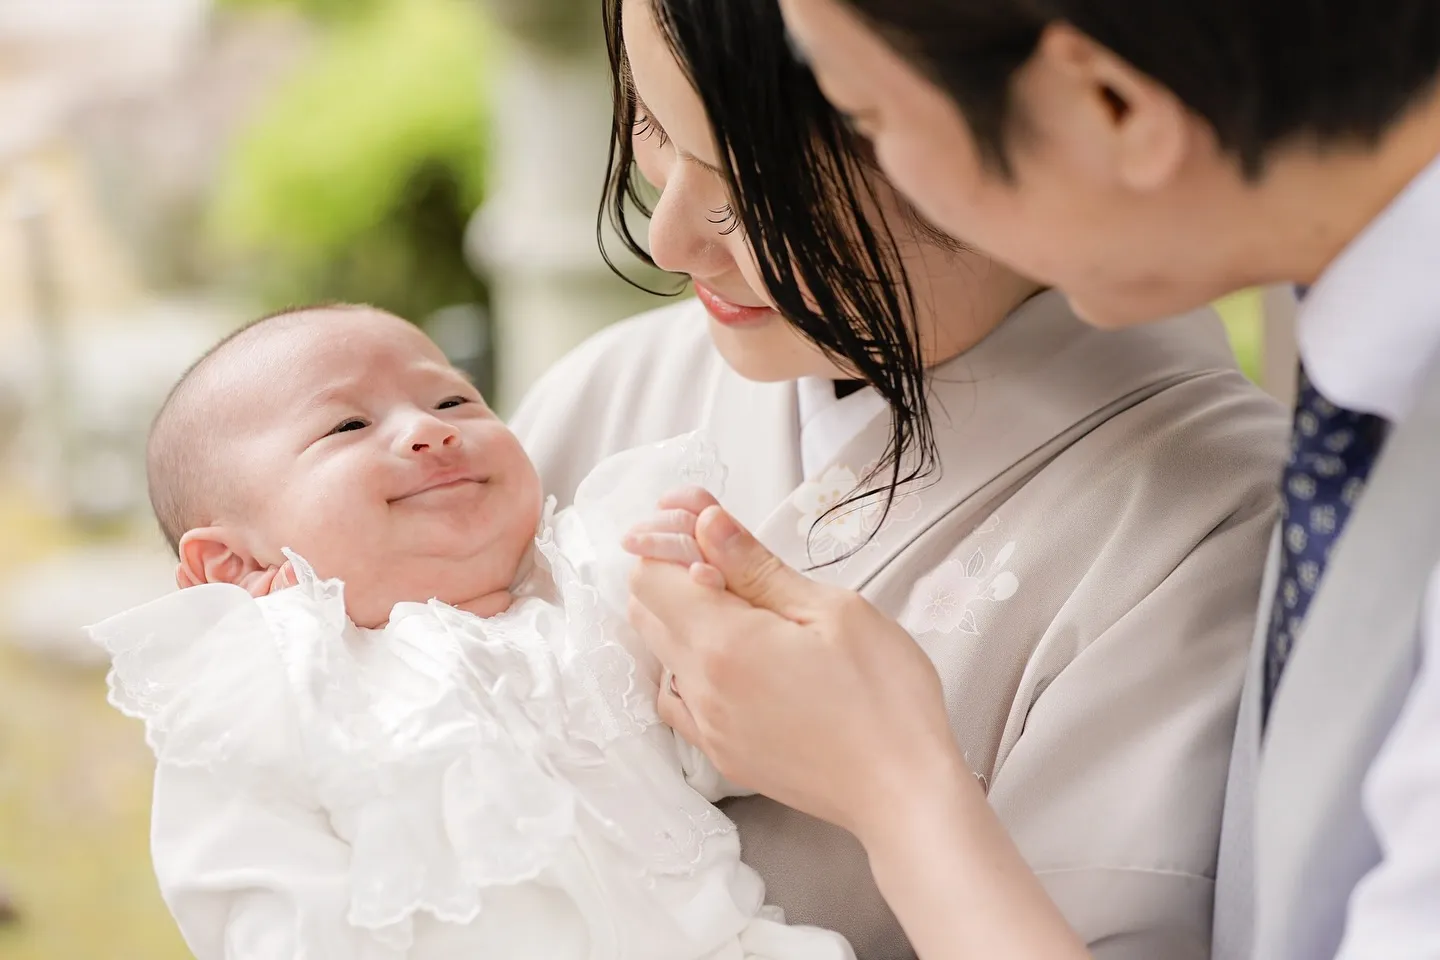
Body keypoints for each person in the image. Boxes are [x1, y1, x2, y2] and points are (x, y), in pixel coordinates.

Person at [628, 0, 1440, 957]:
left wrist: (896, 789)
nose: (667, 242)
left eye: (871, 117)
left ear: (1112, 105)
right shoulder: (1372, 395)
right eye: (649, 124)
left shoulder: (1210, 509)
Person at [89, 304, 857, 960]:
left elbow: (736, 744)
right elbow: (253, 895)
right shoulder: (277, 692)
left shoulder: (598, 600)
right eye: (348, 424)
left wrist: (712, 603)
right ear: (235, 564)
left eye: (454, 401)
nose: (428, 430)